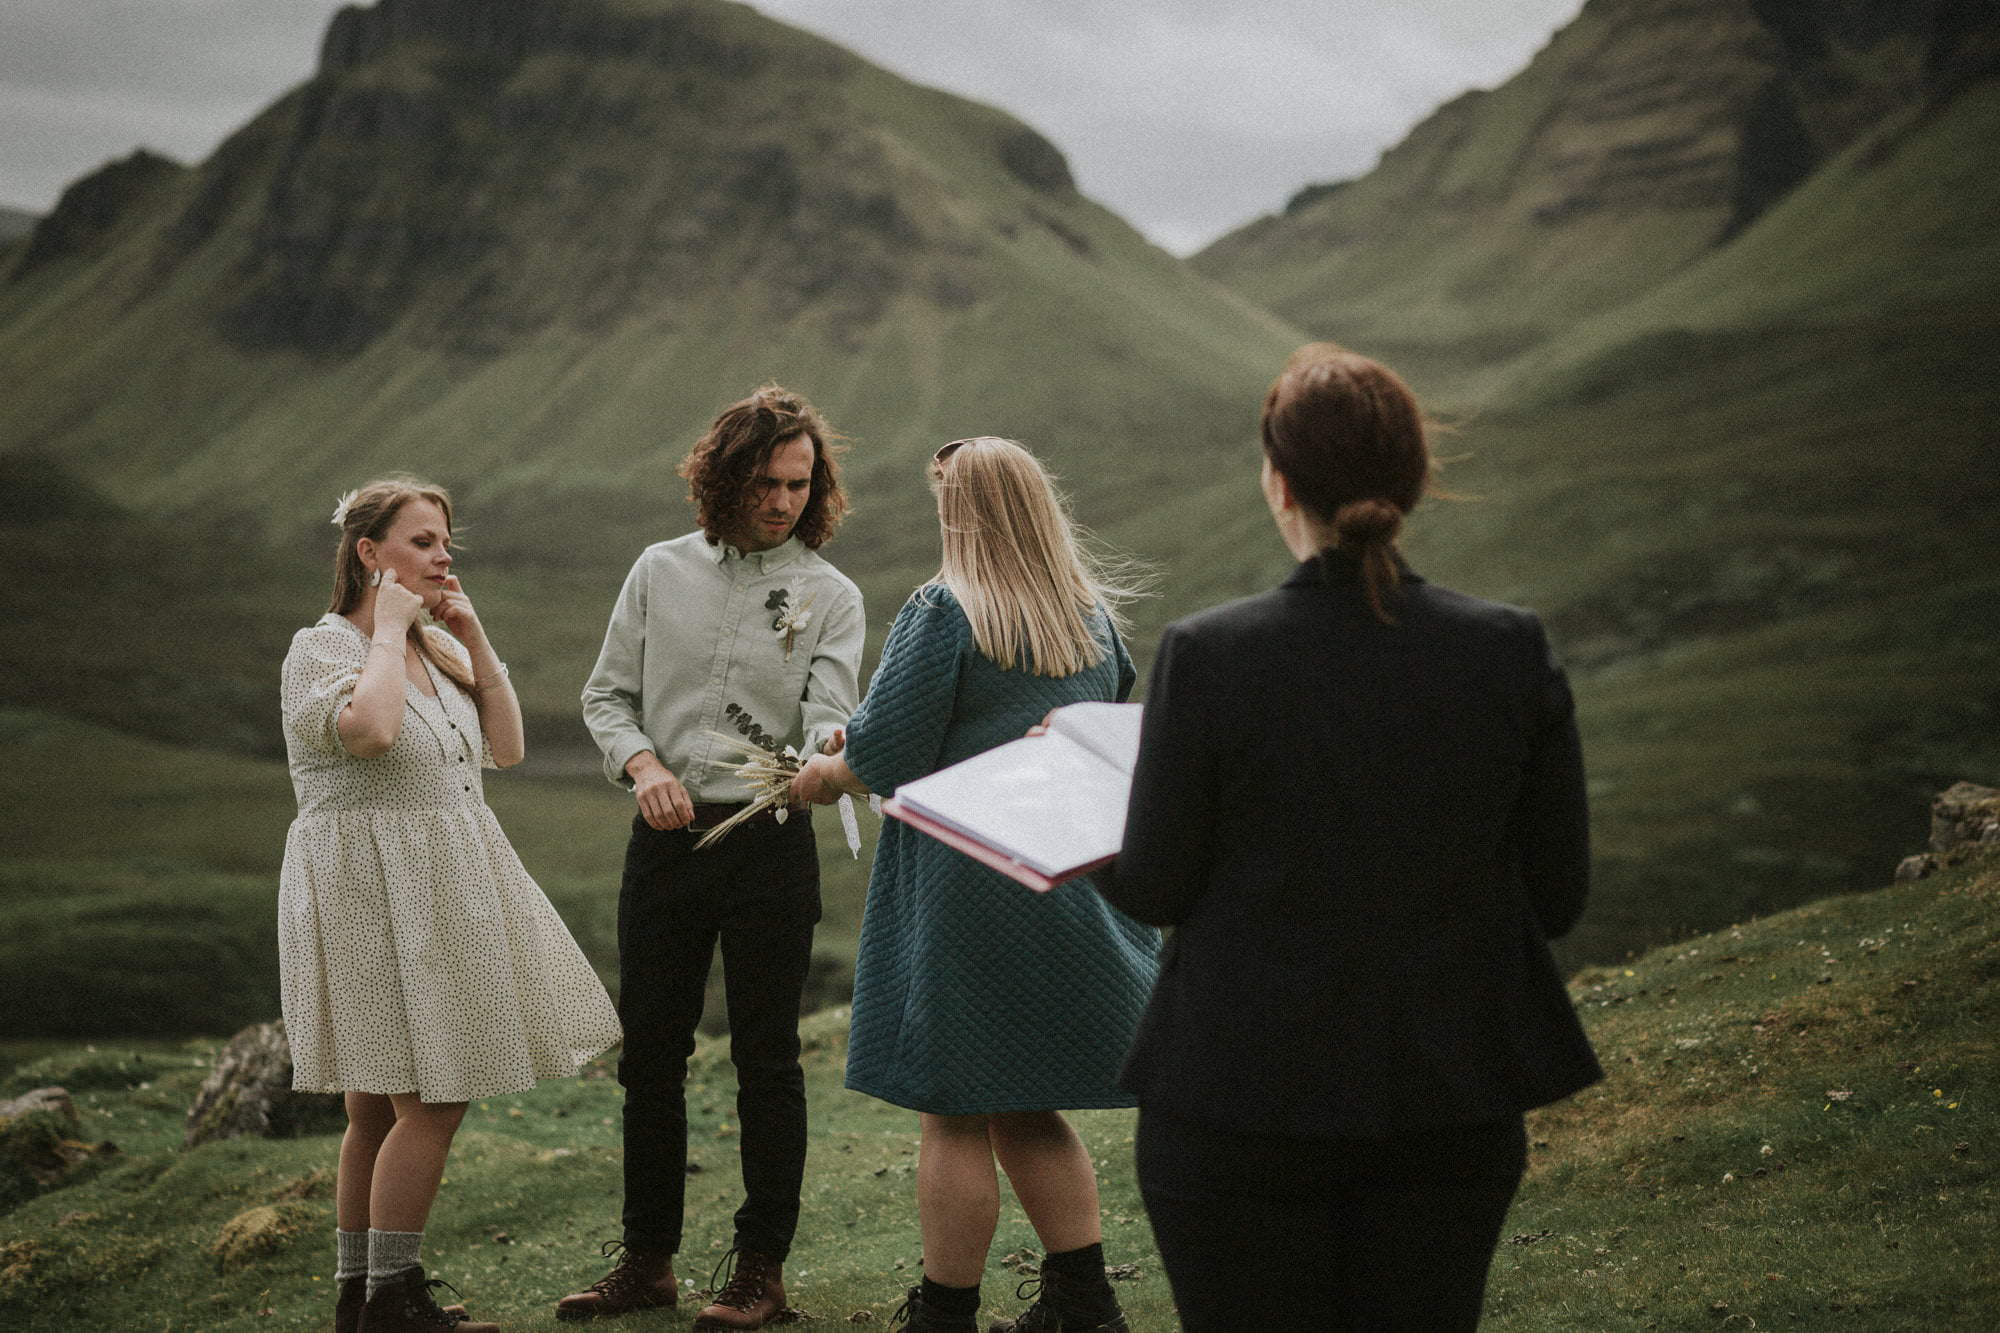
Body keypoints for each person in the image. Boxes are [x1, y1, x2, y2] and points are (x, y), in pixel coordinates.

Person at [1088, 343, 1605, 1331]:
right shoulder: (1506, 647)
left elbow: (1154, 885)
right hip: (1449, 1097)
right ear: (1410, 482)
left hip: (1237, 1099)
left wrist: (1087, 820)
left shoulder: (1208, 655)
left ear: (1277, 482)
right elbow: (1557, 895)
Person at [790, 436, 1159, 1333]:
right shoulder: (1091, 619)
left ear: (959, 511)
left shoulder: (945, 609)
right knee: (1025, 1101)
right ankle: (1086, 1305)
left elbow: (891, 749)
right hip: (1062, 875)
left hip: (966, 880)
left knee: (951, 1107)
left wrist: (826, 772)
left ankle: (944, 1314)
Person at [278, 477, 622, 1333]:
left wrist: (471, 637)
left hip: (443, 883)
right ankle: (390, 1295)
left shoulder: (437, 648)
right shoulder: (321, 651)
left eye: (445, 542)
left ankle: (362, 1299)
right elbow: (373, 733)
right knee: (424, 1099)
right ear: (369, 553)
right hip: (367, 890)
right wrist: (390, 632)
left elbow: (505, 747)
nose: (443, 557)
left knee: (381, 1103)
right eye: (424, 541)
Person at [562, 385, 865, 1329]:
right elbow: (606, 697)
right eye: (767, 482)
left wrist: (827, 752)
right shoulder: (657, 571)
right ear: (725, 475)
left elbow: (830, 711)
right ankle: (647, 1263)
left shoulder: (831, 595)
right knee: (652, 1054)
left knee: (768, 1059)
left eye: (799, 484)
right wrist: (643, 763)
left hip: (772, 842)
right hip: (664, 842)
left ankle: (759, 1273)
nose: (782, 501)